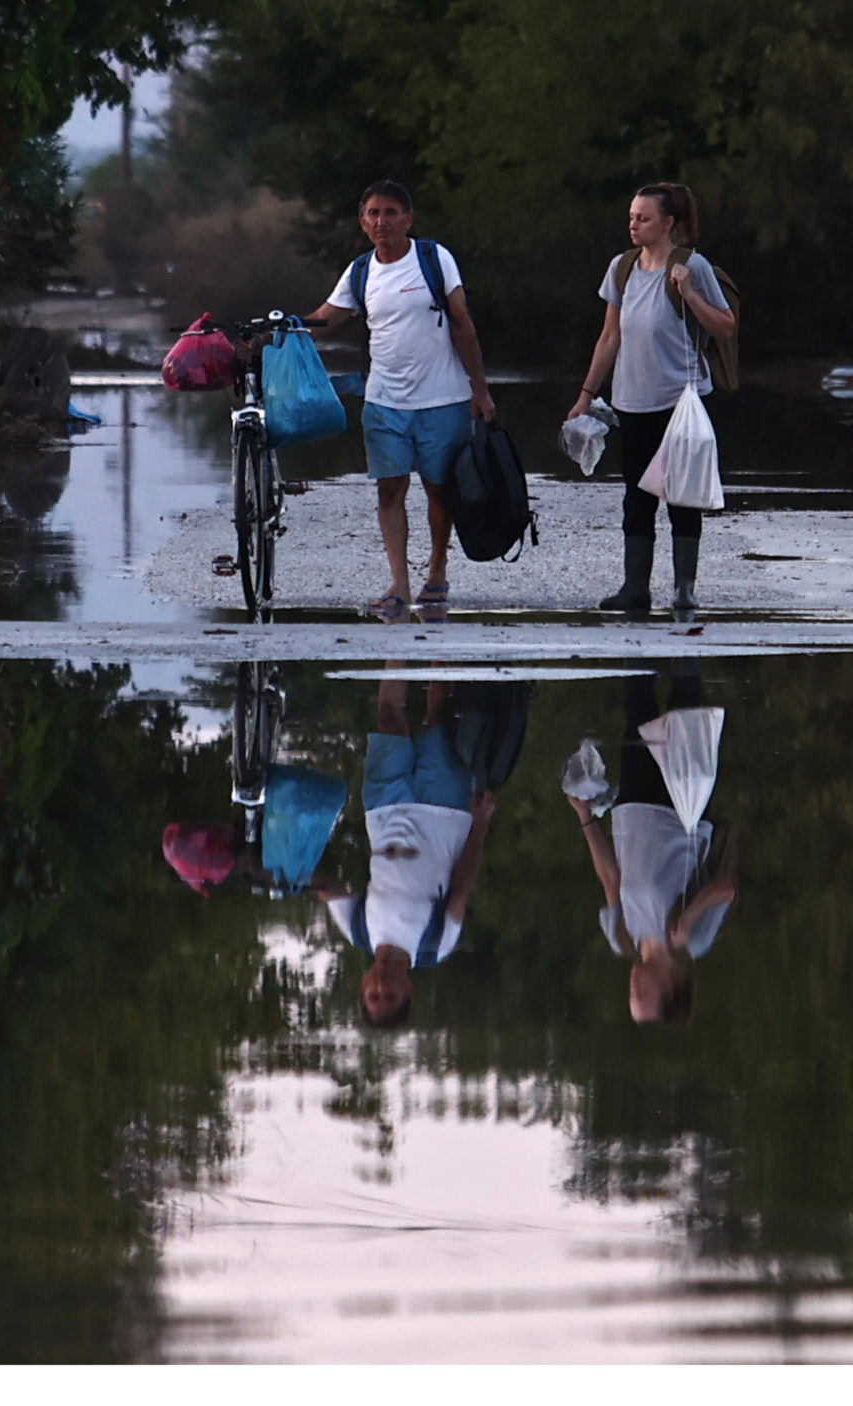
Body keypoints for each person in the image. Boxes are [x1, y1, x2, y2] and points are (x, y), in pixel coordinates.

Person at [305, 181, 495, 623]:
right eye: (372, 213)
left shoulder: (433, 259)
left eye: (390, 212)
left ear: (408, 218)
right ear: (362, 222)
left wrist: (479, 388)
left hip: (443, 398)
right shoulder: (361, 272)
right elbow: (325, 319)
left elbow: (463, 326)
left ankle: (437, 571)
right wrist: (280, 331)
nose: (381, 222)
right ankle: (399, 583)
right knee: (389, 489)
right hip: (384, 400)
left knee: (440, 491)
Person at [566, 183, 736, 614]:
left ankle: (684, 589)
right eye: (631, 217)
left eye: (643, 218)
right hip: (632, 400)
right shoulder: (622, 268)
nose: (633, 225)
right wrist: (587, 395)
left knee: (682, 494)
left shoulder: (691, 266)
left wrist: (690, 293)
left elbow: (726, 327)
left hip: (681, 402)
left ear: (669, 223)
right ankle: (634, 587)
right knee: (636, 495)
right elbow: (609, 337)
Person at [314, 670, 495, 1026]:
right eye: (390, 996)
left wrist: (287, 875)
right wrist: (482, 822)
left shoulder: (358, 932)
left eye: (373, 995)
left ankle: (397, 628)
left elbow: (330, 890)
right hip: (444, 810)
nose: (382, 986)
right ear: (408, 990)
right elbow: (461, 888)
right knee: (439, 716)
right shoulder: (435, 945)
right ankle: (434, 626)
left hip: (384, 810)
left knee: (389, 718)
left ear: (363, 985)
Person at [564, 669, 737, 1025]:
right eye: (642, 994)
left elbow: (610, 877)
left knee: (637, 701)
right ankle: (687, 623)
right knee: (684, 700)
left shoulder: (622, 940)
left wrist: (585, 817)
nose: (632, 987)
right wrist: (688, 918)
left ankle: (634, 618)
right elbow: (726, 888)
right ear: (671, 989)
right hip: (680, 806)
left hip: (633, 808)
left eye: (631, 995)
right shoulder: (694, 943)